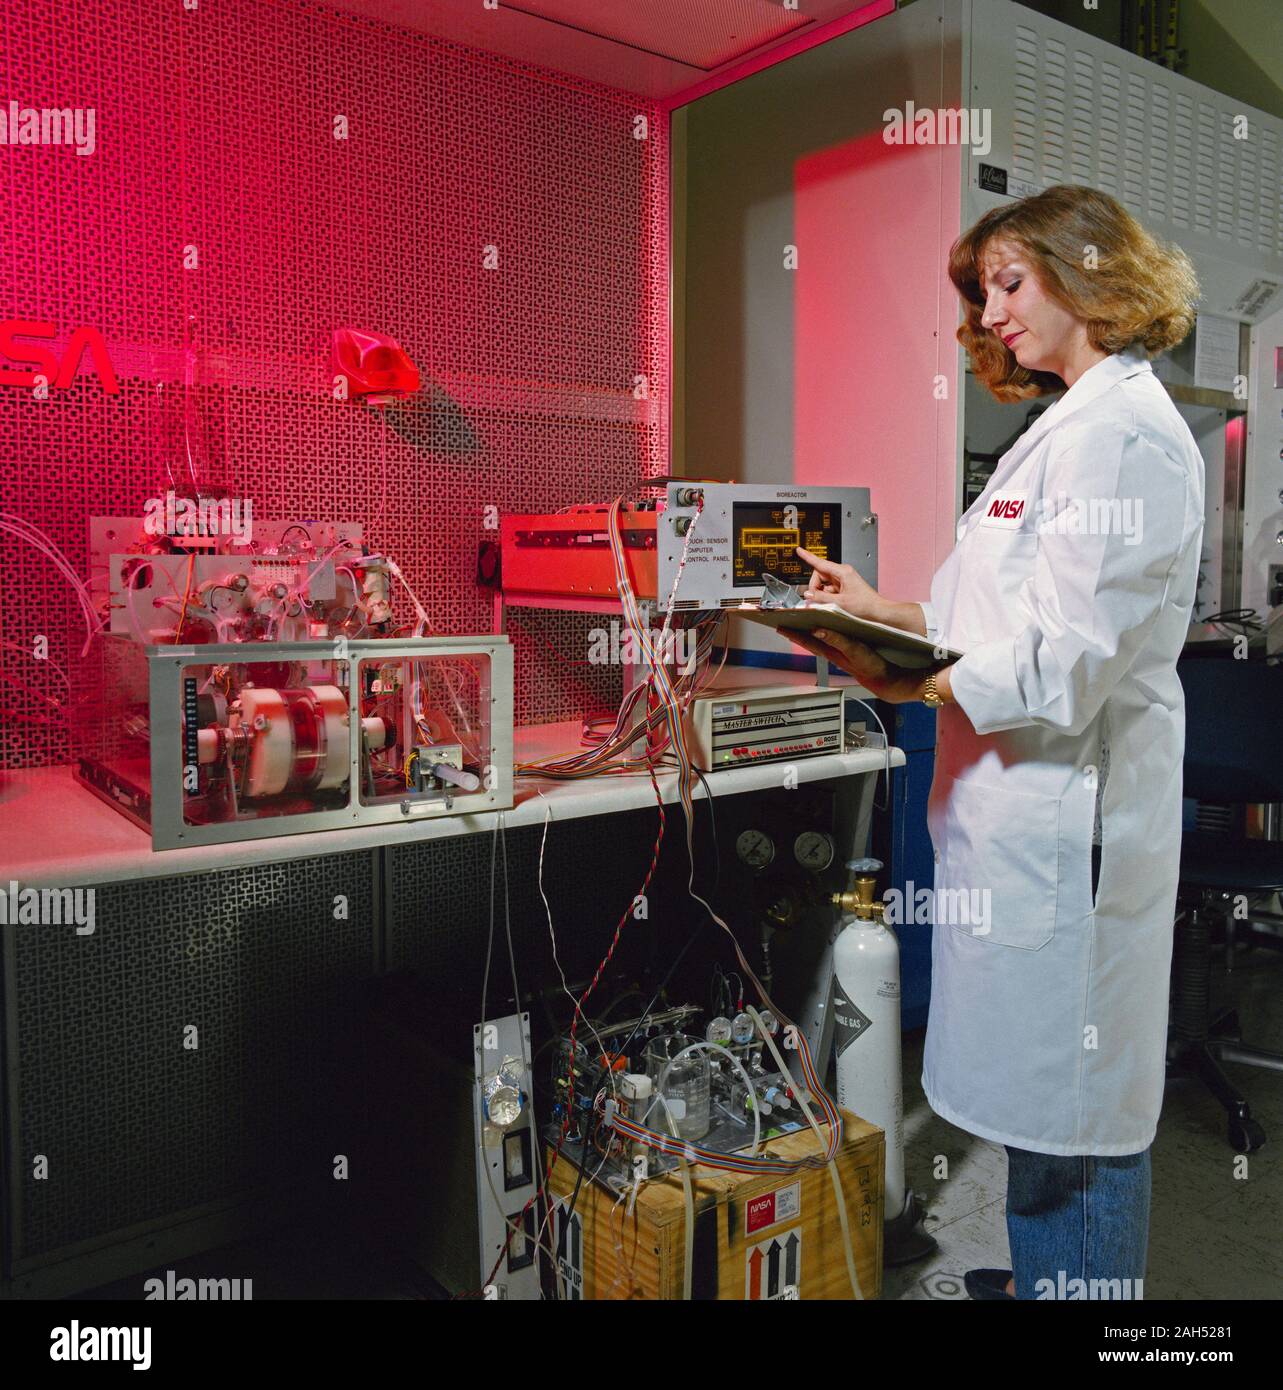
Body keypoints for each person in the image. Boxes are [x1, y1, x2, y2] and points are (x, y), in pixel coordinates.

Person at [789, 184, 1204, 1300]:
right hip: (1020, 825)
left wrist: (911, 677)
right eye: (983, 293)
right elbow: (1000, 629)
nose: (994, 312)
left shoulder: (1123, 438)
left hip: (1071, 832)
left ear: (1089, 272)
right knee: (1039, 1108)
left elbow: (1064, 664)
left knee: (1073, 1125)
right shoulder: (1062, 429)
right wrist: (880, 614)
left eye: (1010, 282)